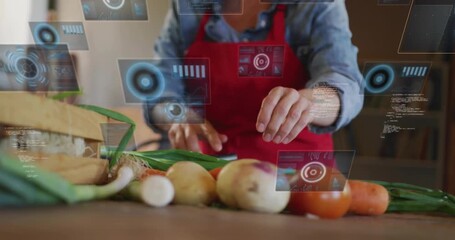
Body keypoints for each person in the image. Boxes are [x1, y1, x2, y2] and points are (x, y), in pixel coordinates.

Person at [144, 0, 364, 164]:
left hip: (298, 182)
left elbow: (347, 83)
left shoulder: (316, 5)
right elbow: (159, 94)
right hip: (207, 177)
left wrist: (312, 102)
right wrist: (177, 116)